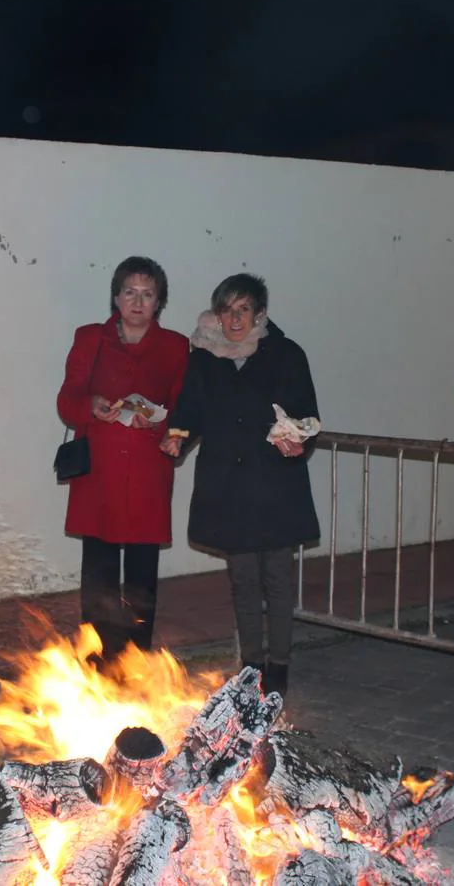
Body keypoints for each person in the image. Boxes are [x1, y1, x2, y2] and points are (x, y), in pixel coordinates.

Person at [160, 273, 319, 698]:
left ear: (259, 313)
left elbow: (307, 415)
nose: (234, 318)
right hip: (228, 485)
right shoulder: (205, 358)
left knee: (279, 579)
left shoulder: (286, 354)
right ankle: (252, 667)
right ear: (217, 314)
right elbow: (189, 409)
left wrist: (299, 440)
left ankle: (279, 667)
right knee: (244, 579)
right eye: (227, 309)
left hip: (275, 485)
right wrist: (178, 436)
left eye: (243, 309)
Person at [57, 256, 190, 666]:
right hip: (100, 473)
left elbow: (186, 409)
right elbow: (67, 399)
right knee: (98, 571)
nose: (138, 301)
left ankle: (135, 662)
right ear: (116, 297)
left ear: (159, 302)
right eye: (130, 292)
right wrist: (91, 405)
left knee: (140, 576)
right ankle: (97, 662)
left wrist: (169, 430)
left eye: (147, 294)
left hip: (148, 472)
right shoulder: (89, 339)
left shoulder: (175, 347)